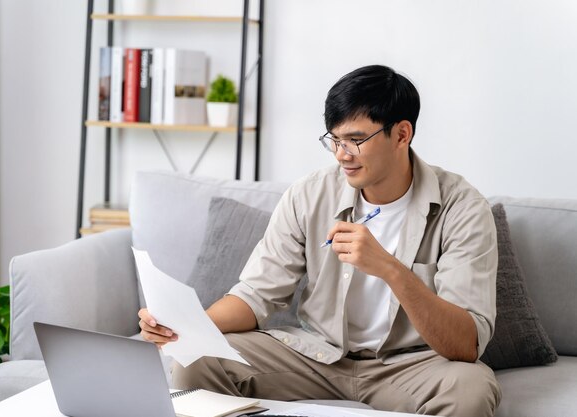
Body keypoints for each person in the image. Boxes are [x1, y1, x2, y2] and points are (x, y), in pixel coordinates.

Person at [139, 65, 501, 416]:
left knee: (471, 390)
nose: (342, 155)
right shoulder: (310, 194)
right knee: (197, 362)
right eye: (335, 139)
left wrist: (391, 270)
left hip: (410, 365)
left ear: (402, 134)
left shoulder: (462, 207)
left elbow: (466, 344)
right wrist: (186, 327)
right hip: (316, 357)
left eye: (356, 140)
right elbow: (256, 295)